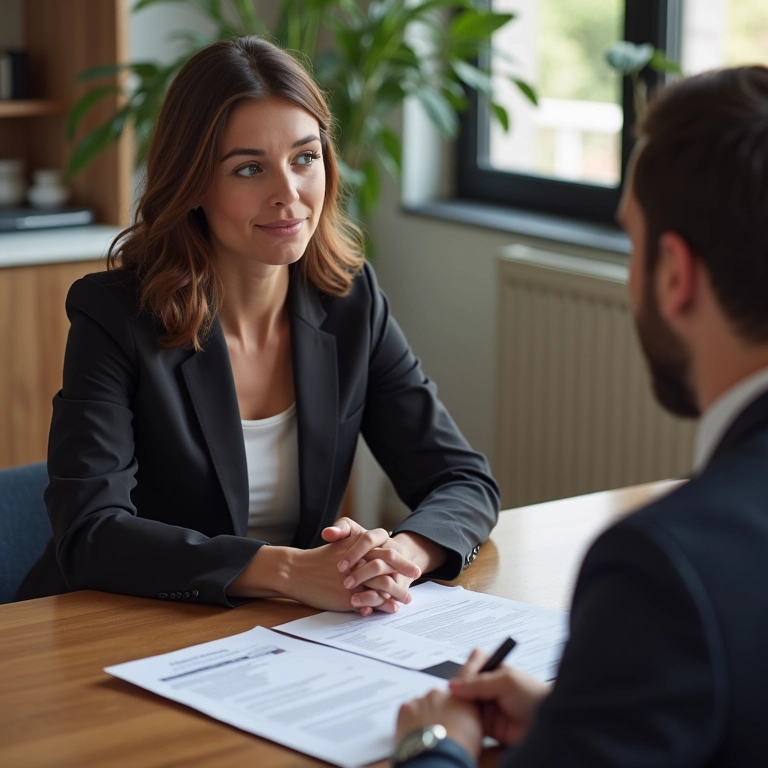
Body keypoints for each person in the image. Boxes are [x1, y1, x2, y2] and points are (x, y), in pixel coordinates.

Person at [16, 36, 499, 612]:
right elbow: (90, 533)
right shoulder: (114, 315)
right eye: (249, 168)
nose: (289, 195)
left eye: (304, 158)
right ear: (194, 182)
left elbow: (463, 481)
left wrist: (403, 554)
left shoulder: (350, 301)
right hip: (119, 628)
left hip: (276, 635)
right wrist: (290, 570)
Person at [394, 65, 768, 767]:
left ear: (675, 274)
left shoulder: (664, 568)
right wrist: (583, 721)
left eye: (631, 244)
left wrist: (434, 741)